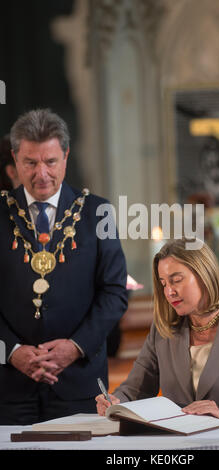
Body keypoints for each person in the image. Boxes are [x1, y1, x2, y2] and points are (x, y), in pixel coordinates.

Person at [0, 108, 128, 425]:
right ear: (15, 159)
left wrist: (74, 347)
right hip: (7, 388)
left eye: (50, 161)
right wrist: (12, 351)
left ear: (66, 157)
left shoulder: (98, 212)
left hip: (81, 383)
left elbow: (114, 293)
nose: (41, 173)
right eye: (30, 162)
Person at [96, 238, 219, 424]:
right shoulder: (162, 333)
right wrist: (115, 401)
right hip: (175, 445)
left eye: (176, 280)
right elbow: (133, 390)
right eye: (164, 283)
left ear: (204, 274)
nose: (169, 292)